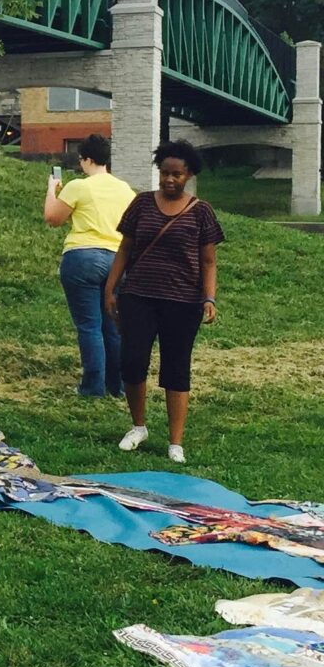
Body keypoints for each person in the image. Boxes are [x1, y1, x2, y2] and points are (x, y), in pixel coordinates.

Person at [104, 140, 224, 464]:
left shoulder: (201, 211)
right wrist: (111, 288)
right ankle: (138, 427)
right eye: (165, 173)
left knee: (176, 367)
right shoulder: (141, 204)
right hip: (138, 296)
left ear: (189, 175)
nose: (170, 180)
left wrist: (209, 297)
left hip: (183, 302)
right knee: (131, 361)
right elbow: (125, 249)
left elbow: (209, 261)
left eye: (177, 175)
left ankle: (175, 442)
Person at [44, 134, 137, 398]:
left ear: (86, 160)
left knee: (89, 325)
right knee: (112, 325)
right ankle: (117, 386)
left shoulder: (79, 187)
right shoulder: (125, 190)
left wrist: (52, 189)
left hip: (83, 257)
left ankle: (92, 388)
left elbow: (52, 218)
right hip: (118, 260)